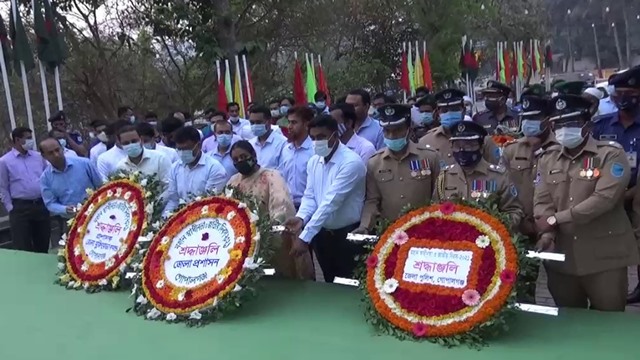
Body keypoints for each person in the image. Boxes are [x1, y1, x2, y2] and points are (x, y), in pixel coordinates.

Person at [534, 94, 638, 312]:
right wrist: (547, 234)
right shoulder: (547, 159)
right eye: (558, 124)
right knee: (570, 323)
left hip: (604, 259)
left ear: (587, 124)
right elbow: (542, 201)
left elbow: (604, 200)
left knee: (608, 324)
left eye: (571, 123)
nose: (564, 130)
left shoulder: (610, 154)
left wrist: (555, 219)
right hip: (561, 258)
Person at [284, 114, 366, 283]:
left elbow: (330, 202)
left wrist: (304, 237)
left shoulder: (351, 163)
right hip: (322, 235)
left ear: (335, 136)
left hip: (347, 234)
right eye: (312, 138)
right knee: (330, 281)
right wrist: (301, 217)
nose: (316, 142)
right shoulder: (314, 161)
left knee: (349, 283)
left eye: (321, 137)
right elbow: (310, 195)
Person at [227, 140, 314, 280]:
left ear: (253, 155)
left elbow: (281, 204)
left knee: (285, 280)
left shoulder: (271, 176)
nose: (240, 161)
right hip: (246, 242)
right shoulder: (233, 182)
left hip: (274, 240)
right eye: (236, 159)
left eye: (243, 157)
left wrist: (269, 227)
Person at [590, 66, 640, 303]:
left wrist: (630, 194)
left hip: (636, 195)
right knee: (609, 245)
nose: (624, 99)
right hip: (605, 196)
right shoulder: (601, 125)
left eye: (630, 93)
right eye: (619, 94)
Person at [501, 91, 557, 303]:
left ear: (548, 120)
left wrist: (548, 225)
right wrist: (520, 221)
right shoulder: (511, 150)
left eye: (534, 118)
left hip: (557, 229)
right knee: (523, 291)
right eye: (525, 119)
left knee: (563, 291)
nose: (529, 124)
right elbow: (504, 188)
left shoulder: (561, 149)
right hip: (522, 229)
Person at [357, 104, 441, 234]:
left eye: (397, 130)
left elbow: (438, 196)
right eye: (387, 130)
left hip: (425, 230)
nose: (392, 135)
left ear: (408, 128)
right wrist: (364, 226)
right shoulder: (375, 163)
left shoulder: (429, 157)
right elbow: (372, 201)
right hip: (391, 234)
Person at [433, 121, 523, 227]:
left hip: (487, 239)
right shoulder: (444, 176)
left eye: (468, 146)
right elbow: (435, 210)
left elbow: (514, 211)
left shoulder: (498, 176)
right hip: (452, 240)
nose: (462, 151)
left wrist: (496, 227)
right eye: (457, 146)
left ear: (481, 147)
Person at [419, 89, 501, 169]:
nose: (449, 114)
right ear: (438, 113)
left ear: (464, 111)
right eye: (445, 110)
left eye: (454, 109)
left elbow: (493, 173)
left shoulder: (483, 140)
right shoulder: (425, 142)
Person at [0, 127, 50, 253]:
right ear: (17, 139)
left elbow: (47, 177)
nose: (30, 141)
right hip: (20, 208)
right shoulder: (5, 161)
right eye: (27, 138)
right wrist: (10, 207)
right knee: (23, 246)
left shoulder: (38, 157)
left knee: (43, 242)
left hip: (40, 204)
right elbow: (3, 186)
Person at [163, 127, 227, 217]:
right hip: (180, 218)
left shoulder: (214, 168)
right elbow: (174, 200)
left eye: (186, 149)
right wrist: (164, 220)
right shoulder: (175, 168)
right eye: (179, 149)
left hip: (206, 216)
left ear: (199, 145)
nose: (182, 153)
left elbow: (212, 202)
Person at [39, 137, 102, 218]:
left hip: (97, 213)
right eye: (51, 153)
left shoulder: (85, 163)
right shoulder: (45, 178)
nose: (56, 155)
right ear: (44, 156)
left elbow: (101, 186)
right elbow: (50, 203)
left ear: (62, 149)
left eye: (57, 150)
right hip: (71, 219)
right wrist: (64, 209)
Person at [278, 106, 315, 209]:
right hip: (289, 206)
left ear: (306, 124)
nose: (289, 126)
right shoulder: (286, 150)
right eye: (289, 122)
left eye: (294, 123)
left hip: (310, 207)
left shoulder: (314, 150)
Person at [208, 120, 239, 184]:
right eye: (220, 132)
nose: (224, 135)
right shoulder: (208, 157)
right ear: (215, 135)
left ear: (232, 134)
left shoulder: (238, 156)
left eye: (227, 132)